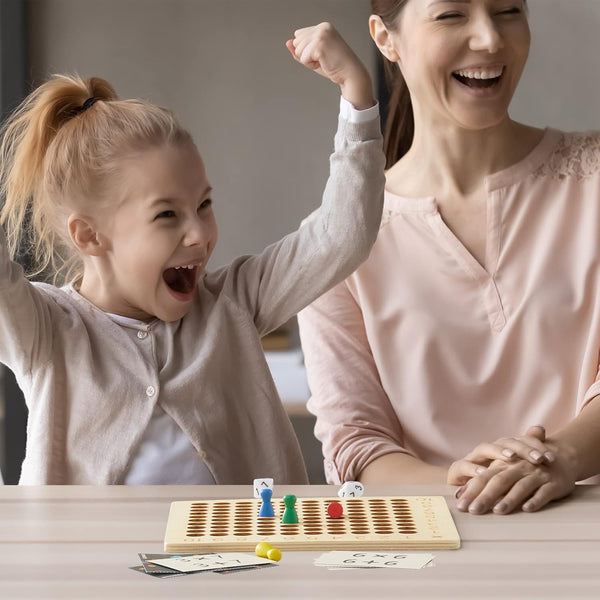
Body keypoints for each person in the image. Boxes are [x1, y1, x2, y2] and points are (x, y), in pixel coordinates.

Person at [0, 23, 385, 484]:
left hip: (240, 555)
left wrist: (357, 98)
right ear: (89, 237)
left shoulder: (234, 303)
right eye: (167, 216)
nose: (200, 234)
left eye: (204, 205)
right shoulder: (45, 330)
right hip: (88, 557)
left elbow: (343, 235)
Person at [298, 0, 600, 515]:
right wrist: (459, 483)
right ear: (385, 38)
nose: (489, 39)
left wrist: (562, 457)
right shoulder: (335, 245)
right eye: (451, 15)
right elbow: (357, 443)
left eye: (508, 10)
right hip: (430, 552)